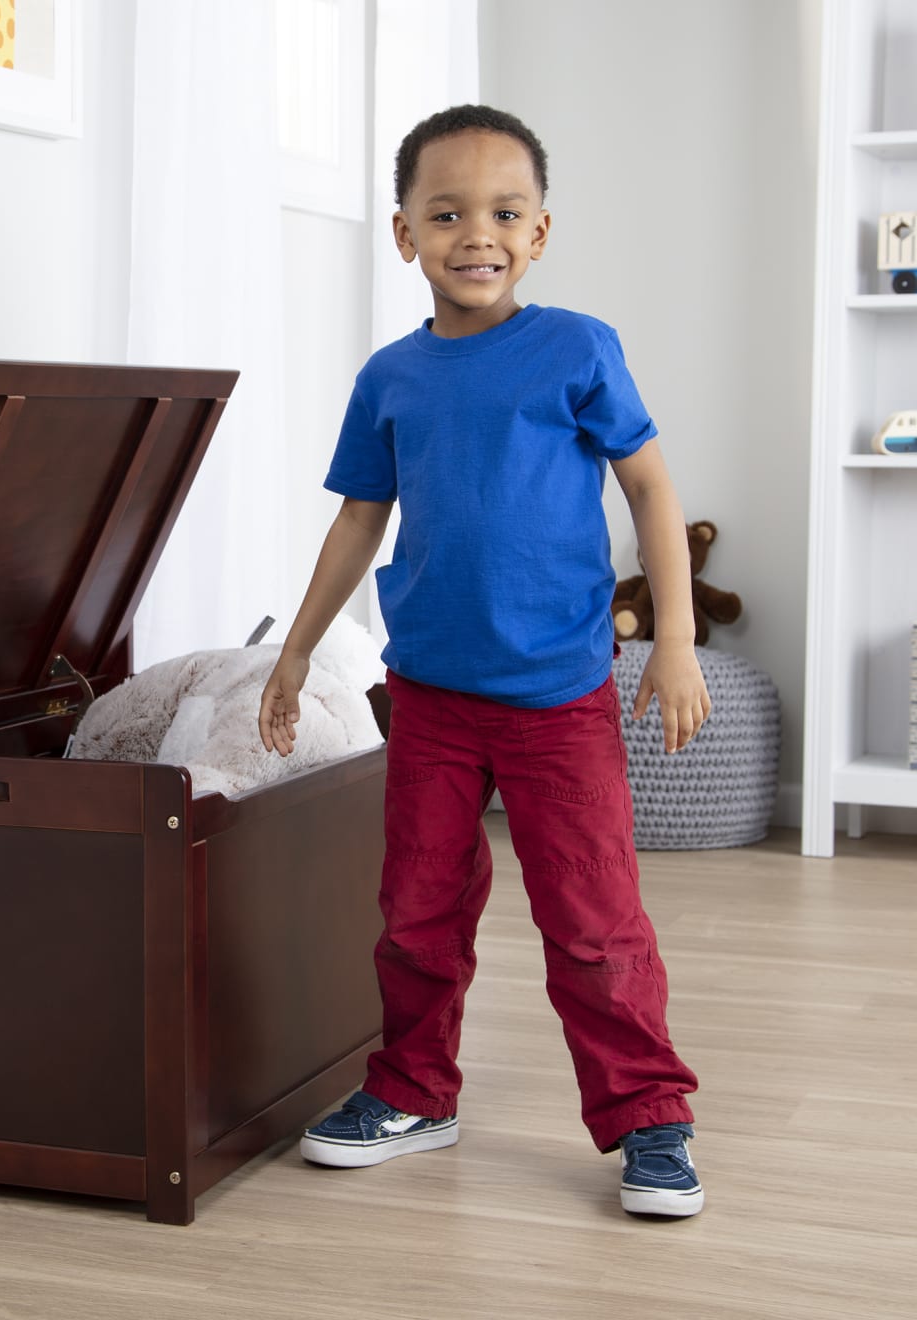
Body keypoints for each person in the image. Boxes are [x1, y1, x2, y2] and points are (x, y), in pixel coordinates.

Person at [258, 105, 708, 1218]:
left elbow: (650, 488)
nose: (477, 235)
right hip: (432, 698)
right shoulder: (391, 377)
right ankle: (413, 1091)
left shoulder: (577, 349)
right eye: (446, 212)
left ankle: (650, 1116)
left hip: (559, 701)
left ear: (541, 232)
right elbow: (360, 521)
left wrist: (679, 638)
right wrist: (296, 649)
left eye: (504, 213)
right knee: (415, 911)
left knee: (594, 923)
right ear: (404, 234)